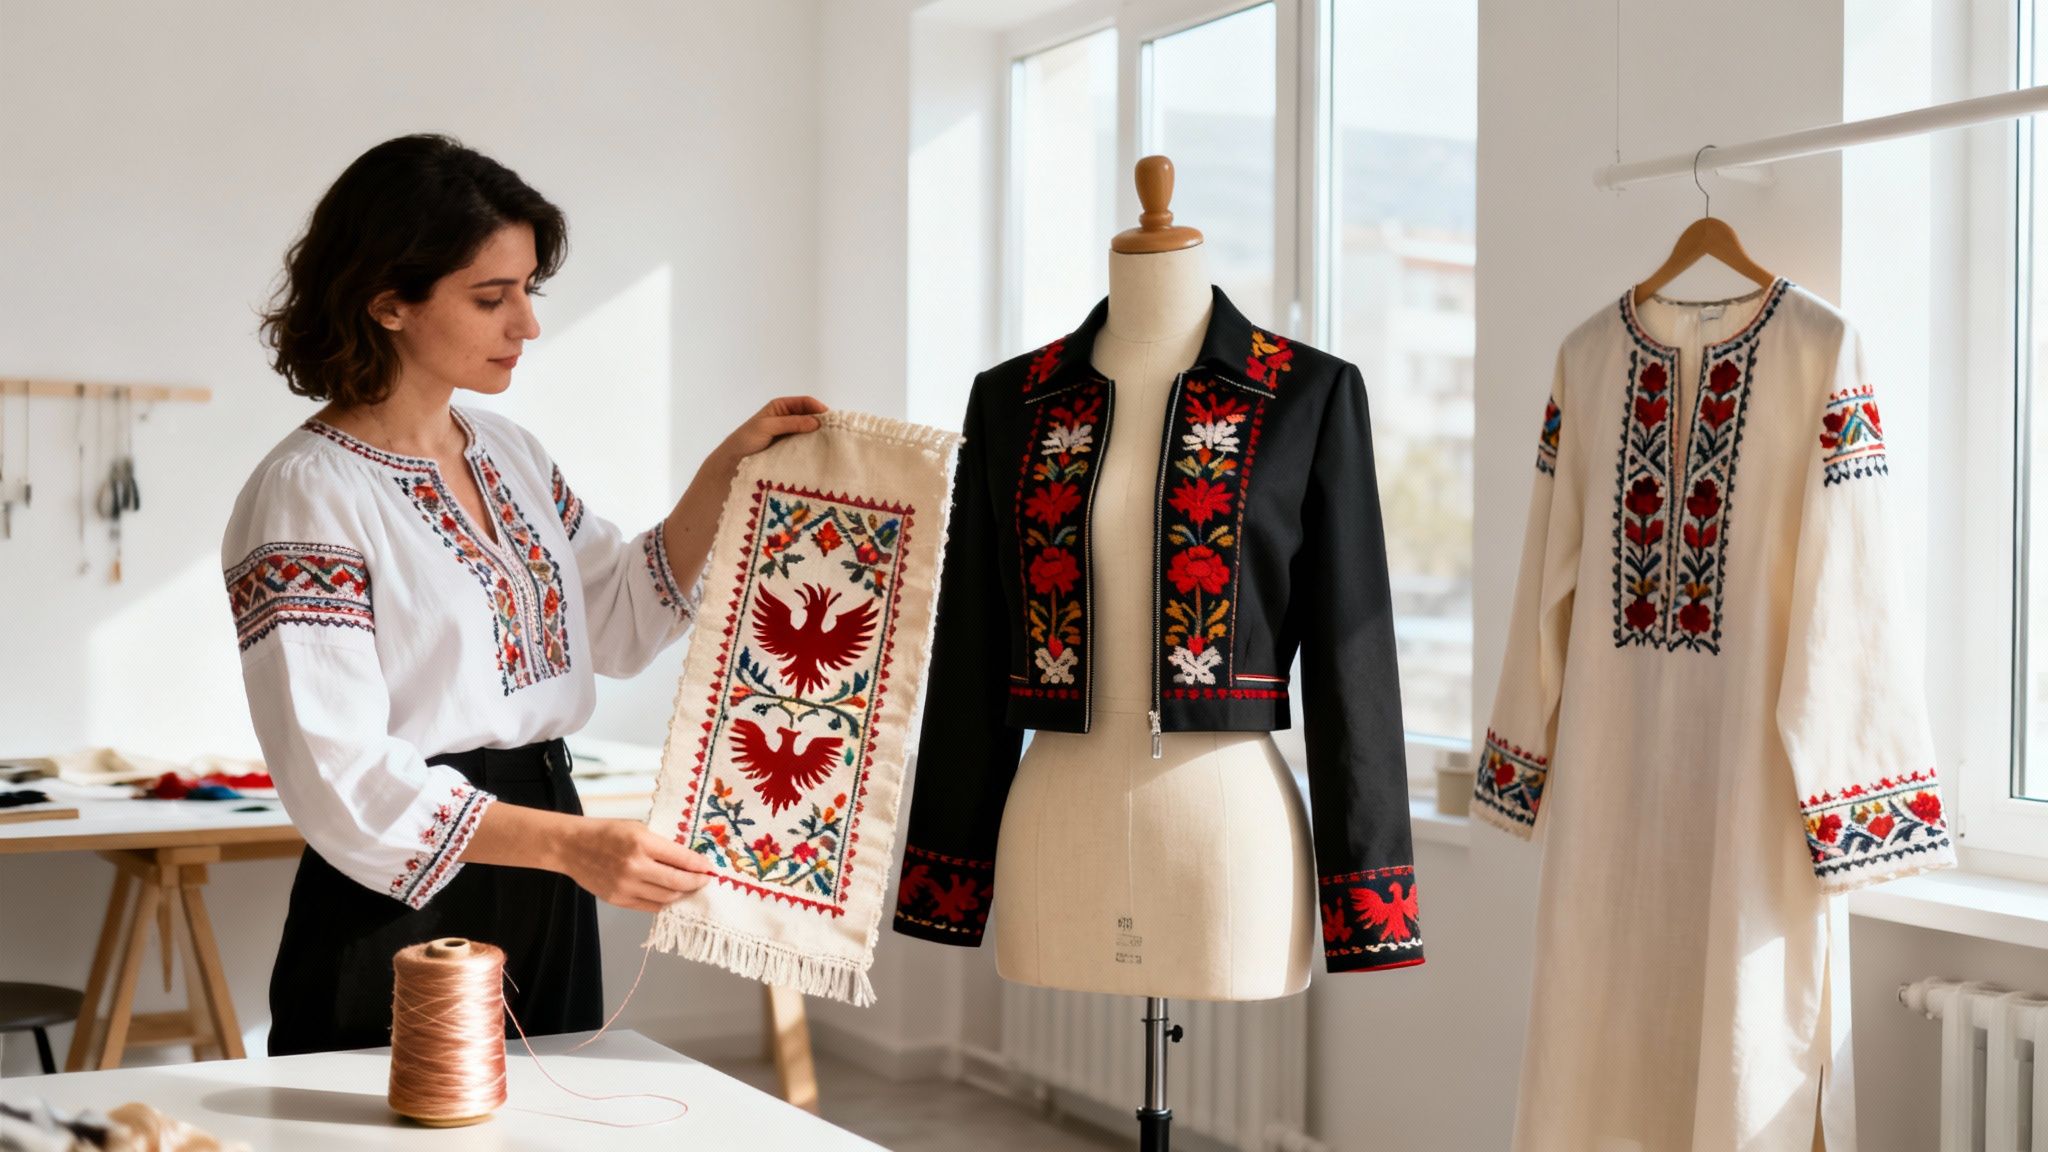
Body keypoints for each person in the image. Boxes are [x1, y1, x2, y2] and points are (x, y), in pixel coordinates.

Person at [222, 133, 826, 1056]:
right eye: (491, 297)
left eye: (528, 290)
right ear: (387, 301)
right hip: (406, 887)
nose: (527, 325)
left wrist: (722, 473)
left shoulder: (510, 452)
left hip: (547, 843)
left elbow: (617, 624)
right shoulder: (308, 491)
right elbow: (339, 776)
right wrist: (570, 847)